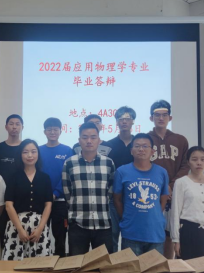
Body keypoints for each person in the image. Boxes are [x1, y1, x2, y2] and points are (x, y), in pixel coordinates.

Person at [63, 122, 115, 256]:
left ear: (99, 140)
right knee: (77, 265)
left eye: (93, 137)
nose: (89, 141)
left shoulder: (108, 163)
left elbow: (111, 189)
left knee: (104, 265)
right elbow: (67, 191)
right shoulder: (69, 163)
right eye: (85, 137)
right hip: (78, 224)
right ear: (79, 140)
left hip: (103, 223)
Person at [113, 133, 170, 256]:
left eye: (145, 146)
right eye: (137, 146)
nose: (141, 149)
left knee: (155, 269)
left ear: (152, 151)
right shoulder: (122, 171)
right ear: (131, 151)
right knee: (131, 268)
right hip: (131, 232)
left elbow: (163, 198)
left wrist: (155, 214)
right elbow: (117, 199)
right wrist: (126, 218)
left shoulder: (162, 172)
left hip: (155, 233)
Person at [147, 100, 189, 259]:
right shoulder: (144, 140)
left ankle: (169, 265)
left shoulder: (180, 140)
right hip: (151, 194)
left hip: (175, 193)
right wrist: (160, 188)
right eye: (157, 115)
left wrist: (171, 186)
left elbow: (186, 165)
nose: (161, 118)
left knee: (172, 232)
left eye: (164, 115)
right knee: (152, 231)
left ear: (170, 118)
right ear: (151, 118)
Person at [170, 147, 204, 260]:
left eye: (203, 159)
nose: (199, 163)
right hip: (188, 231)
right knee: (188, 267)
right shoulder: (181, 183)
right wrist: (176, 239)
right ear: (188, 162)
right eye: (194, 159)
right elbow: (175, 213)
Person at [2, 139, 53, 260]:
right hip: (16, 225)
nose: (30, 155)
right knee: (13, 264)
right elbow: (9, 205)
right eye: (25, 152)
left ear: (38, 154)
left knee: (40, 264)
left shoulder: (45, 178)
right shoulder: (13, 177)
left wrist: (40, 229)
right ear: (20, 155)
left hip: (39, 226)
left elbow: (48, 205)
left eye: (33, 151)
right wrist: (20, 229)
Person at [39, 117, 74, 257]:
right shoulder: (38, 150)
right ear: (44, 132)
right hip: (41, 200)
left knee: (60, 235)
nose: (52, 132)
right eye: (49, 129)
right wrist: (45, 194)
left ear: (60, 131)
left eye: (55, 129)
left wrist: (55, 193)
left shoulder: (67, 150)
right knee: (41, 233)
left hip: (60, 202)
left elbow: (68, 175)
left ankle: (60, 261)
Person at [105, 106, 137, 252]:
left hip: (134, 196)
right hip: (114, 195)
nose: (124, 121)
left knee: (131, 235)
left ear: (133, 121)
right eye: (121, 119)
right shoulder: (108, 145)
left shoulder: (139, 144)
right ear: (117, 122)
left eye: (127, 118)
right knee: (112, 234)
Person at [0, 114, 24, 247]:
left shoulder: (25, 148)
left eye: (17, 124)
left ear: (22, 127)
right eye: (11, 124)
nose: (14, 127)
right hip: (1, 196)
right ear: (6, 127)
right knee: (2, 231)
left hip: (21, 195)